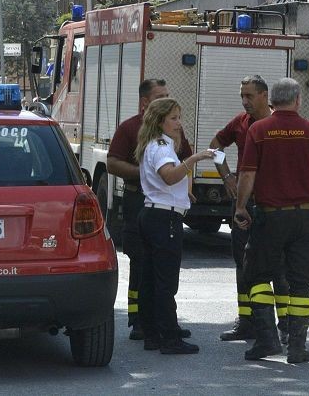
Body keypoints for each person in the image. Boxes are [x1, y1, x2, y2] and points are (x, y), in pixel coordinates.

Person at [234, 78, 309, 363]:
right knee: (301, 284)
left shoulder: (258, 130)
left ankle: (268, 340)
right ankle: (297, 347)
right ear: (297, 101)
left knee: (257, 276)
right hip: (304, 218)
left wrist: (241, 207)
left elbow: (248, 174)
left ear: (272, 100)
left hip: (270, 218)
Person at [106, 79, 193, 341]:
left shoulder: (171, 133)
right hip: (140, 201)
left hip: (161, 206)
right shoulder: (131, 128)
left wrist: (186, 187)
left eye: (167, 94)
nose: (166, 99)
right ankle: (140, 321)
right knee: (142, 262)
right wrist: (147, 174)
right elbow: (112, 163)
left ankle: (160, 323)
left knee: (159, 270)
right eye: (160, 96)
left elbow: (181, 164)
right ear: (145, 103)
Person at [209, 75, 291, 344]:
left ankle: (286, 324)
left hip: (272, 205)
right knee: (242, 263)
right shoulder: (240, 123)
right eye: (242, 95)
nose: (244, 101)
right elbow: (215, 146)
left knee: (277, 266)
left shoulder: (277, 125)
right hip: (244, 204)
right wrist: (226, 176)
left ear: (265, 96)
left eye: (249, 96)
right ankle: (246, 321)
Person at [135, 97, 215, 354]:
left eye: (179, 117)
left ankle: (152, 332)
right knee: (165, 281)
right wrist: (195, 158)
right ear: (160, 121)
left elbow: (168, 182)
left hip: (155, 215)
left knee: (150, 279)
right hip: (163, 219)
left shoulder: (157, 144)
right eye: (173, 118)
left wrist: (184, 192)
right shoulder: (161, 146)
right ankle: (169, 337)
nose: (178, 123)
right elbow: (169, 177)